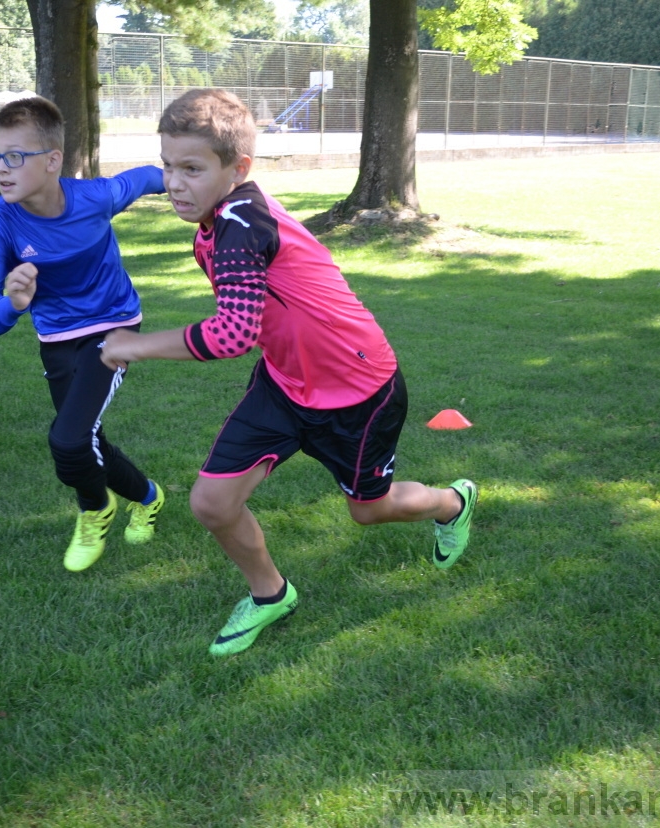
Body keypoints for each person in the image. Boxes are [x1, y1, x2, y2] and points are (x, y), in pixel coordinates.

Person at [100, 89, 477, 657]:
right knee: (212, 503)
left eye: (193, 169)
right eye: (168, 166)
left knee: (368, 511)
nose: (175, 183)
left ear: (238, 169)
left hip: (358, 391)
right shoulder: (219, 219)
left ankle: (453, 501)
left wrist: (135, 345)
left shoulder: (241, 224)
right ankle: (271, 593)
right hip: (284, 383)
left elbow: (232, 335)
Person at [0, 97, 167, 572]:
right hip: (55, 336)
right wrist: (10, 305)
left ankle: (95, 509)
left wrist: (190, 183)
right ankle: (149, 496)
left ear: (53, 161)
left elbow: (143, 179)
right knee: (86, 435)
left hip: (114, 327)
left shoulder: (94, 198)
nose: (0, 169)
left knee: (70, 440)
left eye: (14, 156)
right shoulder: (0, 220)